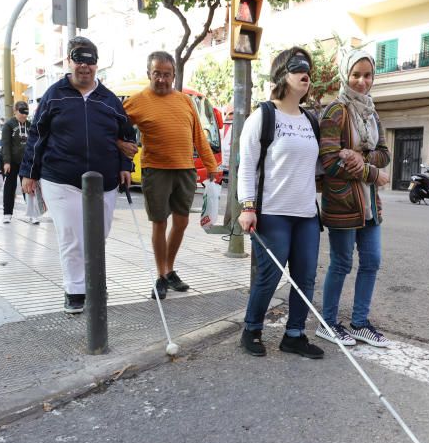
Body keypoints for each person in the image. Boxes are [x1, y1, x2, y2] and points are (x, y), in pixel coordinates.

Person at [19, 37, 134, 314]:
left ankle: (95, 283)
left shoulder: (108, 99)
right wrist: (28, 173)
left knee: (97, 236)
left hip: (104, 181)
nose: (85, 66)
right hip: (60, 178)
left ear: (97, 64)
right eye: (79, 59)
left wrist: (124, 166)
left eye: (90, 60)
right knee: (71, 237)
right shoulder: (53, 95)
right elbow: (37, 135)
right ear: (69, 62)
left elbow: (126, 136)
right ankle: (75, 290)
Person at [235, 47, 323, 359]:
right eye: (298, 66)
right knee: (270, 276)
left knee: (306, 276)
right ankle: (252, 329)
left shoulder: (311, 120)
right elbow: (246, 166)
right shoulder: (263, 116)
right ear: (281, 75)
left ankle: (295, 335)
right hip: (272, 213)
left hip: (307, 214)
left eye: (308, 68)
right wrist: (247, 208)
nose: (306, 74)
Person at [123, 51, 218, 300]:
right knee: (159, 223)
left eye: (167, 74)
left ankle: (170, 269)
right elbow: (116, 127)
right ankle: (161, 275)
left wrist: (212, 167)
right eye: (157, 74)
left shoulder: (186, 101)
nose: (162, 79)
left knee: (182, 223)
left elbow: (199, 136)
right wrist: (120, 147)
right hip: (156, 171)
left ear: (174, 75)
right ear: (149, 74)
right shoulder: (137, 101)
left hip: (185, 170)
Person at [317, 49, 392, 348]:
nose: (362, 81)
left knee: (372, 261)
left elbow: (384, 155)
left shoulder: (372, 113)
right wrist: (371, 174)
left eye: (368, 75)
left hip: (370, 205)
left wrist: (360, 157)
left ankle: (360, 323)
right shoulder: (336, 111)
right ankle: (328, 322)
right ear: (345, 76)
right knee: (341, 263)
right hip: (343, 203)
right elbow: (330, 162)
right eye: (356, 75)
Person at [1, 101, 32, 223]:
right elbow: (6, 144)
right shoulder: (9, 125)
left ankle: (32, 213)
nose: (24, 115)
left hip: (27, 162)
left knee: (29, 187)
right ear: (15, 111)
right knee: (9, 187)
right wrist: (6, 161)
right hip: (11, 162)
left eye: (26, 112)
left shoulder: (30, 125)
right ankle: (7, 213)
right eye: (21, 112)